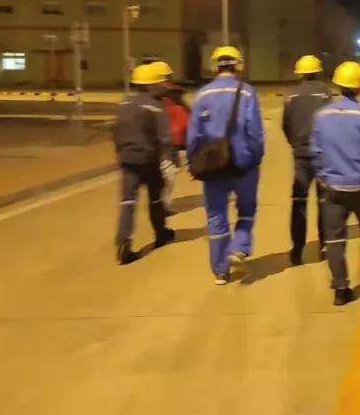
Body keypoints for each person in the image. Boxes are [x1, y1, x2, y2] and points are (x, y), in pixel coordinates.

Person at [187, 46, 265, 285]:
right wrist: (256, 157)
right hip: (243, 164)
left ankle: (220, 271)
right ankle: (239, 247)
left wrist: (194, 162)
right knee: (247, 208)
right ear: (238, 65)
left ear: (214, 66)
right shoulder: (247, 93)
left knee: (216, 214)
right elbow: (255, 133)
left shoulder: (202, 95)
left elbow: (194, 135)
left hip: (212, 165)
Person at [311, 61, 360, 306]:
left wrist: (323, 176)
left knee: (335, 240)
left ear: (336, 84)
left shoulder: (321, 116)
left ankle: (341, 289)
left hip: (333, 187)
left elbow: (316, 152)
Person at [112, 63, 176, 264]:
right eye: (160, 82)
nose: (163, 85)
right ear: (151, 85)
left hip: (126, 158)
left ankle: (124, 243)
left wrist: (121, 150)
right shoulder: (156, 105)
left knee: (128, 201)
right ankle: (161, 233)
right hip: (149, 159)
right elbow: (164, 136)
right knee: (155, 197)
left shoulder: (124, 103)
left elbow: (115, 129)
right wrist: (171, 156)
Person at [282, 54, 332, 265]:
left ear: (300, 73)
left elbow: (286, 125)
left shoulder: (291, 95)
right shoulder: (325, 92)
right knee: (324, 201)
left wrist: (296, 144)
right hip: (322, 155)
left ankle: (297, 249)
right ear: (318, 71)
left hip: (301, 156)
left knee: (299, 202)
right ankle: (324, 244)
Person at [150, 60, 189, 211]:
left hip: (166, 142)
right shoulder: (173, 95)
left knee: (166, 175)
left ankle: (161, 205)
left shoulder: (171, 95)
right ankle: (161, 205)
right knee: (167, 175)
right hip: (170, 142)